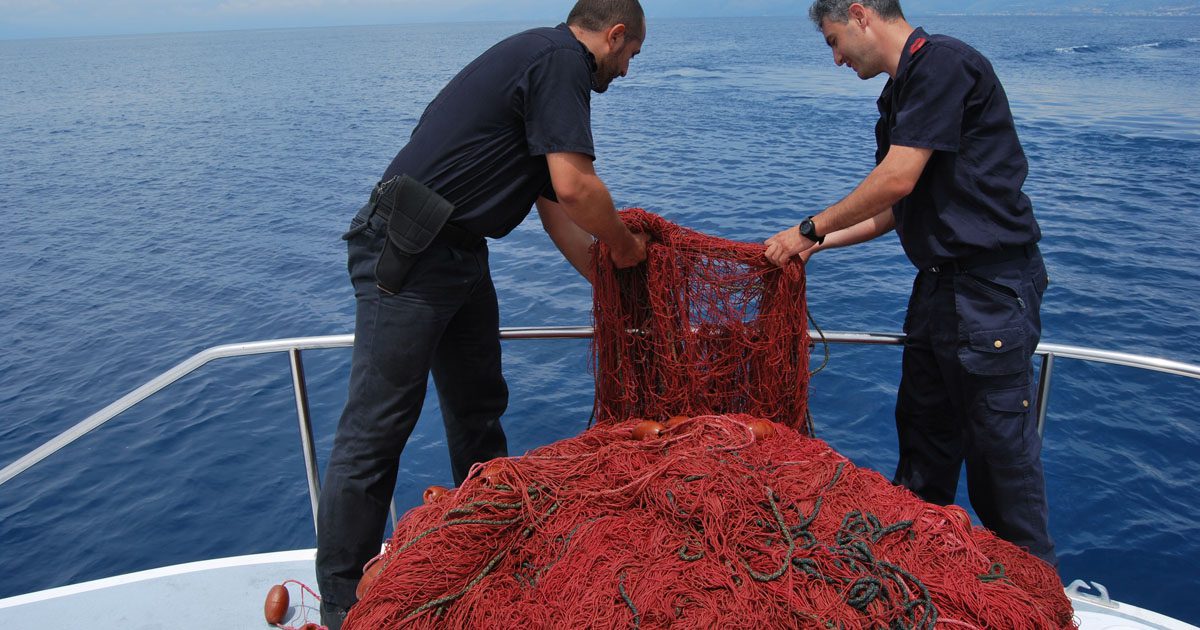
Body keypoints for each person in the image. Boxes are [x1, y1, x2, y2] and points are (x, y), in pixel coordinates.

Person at [315, 1, 649, 627]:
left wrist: (608, 287)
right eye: (631, 56)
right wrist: (628, 251)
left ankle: (486, 548)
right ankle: (340, 603)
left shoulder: (541, 64)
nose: (626, 71)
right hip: (411, 246)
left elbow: (557, 208)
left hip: (458, 250)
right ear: (615, 34)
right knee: (378, 428)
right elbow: (578, 188)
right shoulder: (561, 62)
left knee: (478, 408)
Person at [764, 0, 1056, 567]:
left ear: (860, 14)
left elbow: (895, 179)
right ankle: (921, 590)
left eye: (832, 41)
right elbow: (897, 207)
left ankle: (1036, 603)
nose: (836, 58)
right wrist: (812, 246)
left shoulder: (943, 64)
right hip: (938, 294)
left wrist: (808, 227)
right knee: (921, 462)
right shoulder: (897, 94)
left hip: (990, 291)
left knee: (1002, 478)